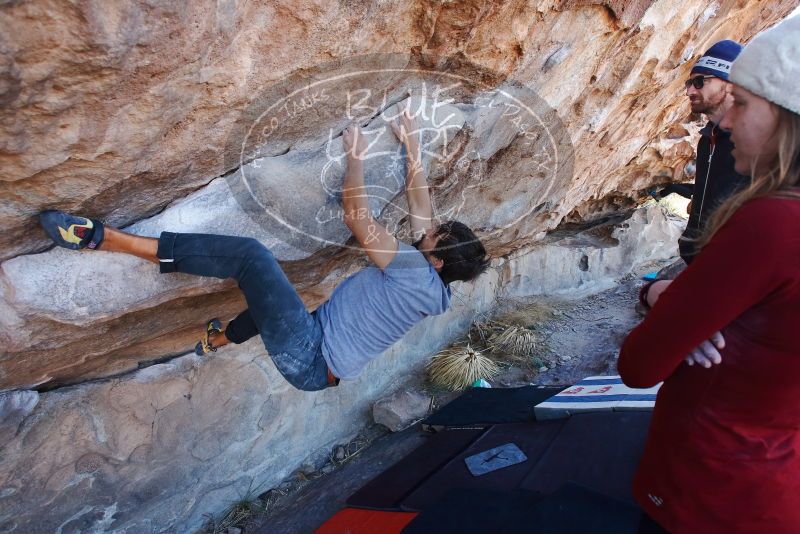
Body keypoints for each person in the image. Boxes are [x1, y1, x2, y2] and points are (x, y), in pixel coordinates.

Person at [39, 111, 490, 392]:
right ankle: (216, 339)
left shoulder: (414, 270)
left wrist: (357, 156)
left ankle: (103, 238)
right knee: (274, 295)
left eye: (437, 237)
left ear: (437, 259)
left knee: (253, 258)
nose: (429, 230)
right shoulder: (432, 285)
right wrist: (412, 147)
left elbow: (357, 218)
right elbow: (424, 212)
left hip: (310, 357)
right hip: (319, 360)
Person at [619, 17, 800, 533]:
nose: (726, 122)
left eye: (742, 104)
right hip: (774, 476)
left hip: (709, 487)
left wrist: (658, 294)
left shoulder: (775, 223)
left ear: (789, 118)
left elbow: (639, 365)